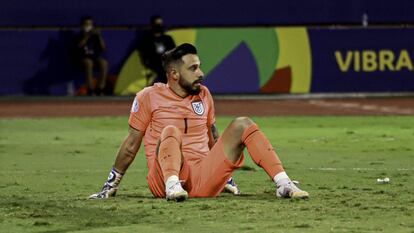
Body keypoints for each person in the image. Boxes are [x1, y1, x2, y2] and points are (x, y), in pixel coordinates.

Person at [89, 43, 309, 201]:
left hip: (202, 179)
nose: (201, 73)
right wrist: (111, 185)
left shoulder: (203, 95)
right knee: (171, 131)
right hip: (162, 180)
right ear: (174, 74)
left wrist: (226, 178)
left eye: (199, 66)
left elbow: (213, 139)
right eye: (193, 68)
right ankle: (173, 185)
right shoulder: (148, 96)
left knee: (243, 123)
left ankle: (284, 184)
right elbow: (130, 145)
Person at [137, 15, 176, 85]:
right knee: (163, 69)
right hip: (154, 62)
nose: (159, 26)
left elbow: (174, 52)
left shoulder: (168, 39)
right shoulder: (147, 40)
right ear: (152, 25)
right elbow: (144, 55)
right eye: (157, 24)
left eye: (160, 24)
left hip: (167, 62)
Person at [75, 16, 108, 95]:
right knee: (89, 63)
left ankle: (100, 88)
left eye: (90, 24)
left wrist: (99, 36)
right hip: (82, 59)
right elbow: (78, 46)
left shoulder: (96, 36)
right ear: (82, 26)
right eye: (86, 24)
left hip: (94, 58)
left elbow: (103, 48)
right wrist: (87, 36)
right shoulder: (78, 36)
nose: (88, 26)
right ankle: (90, 89)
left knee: (104, 63)